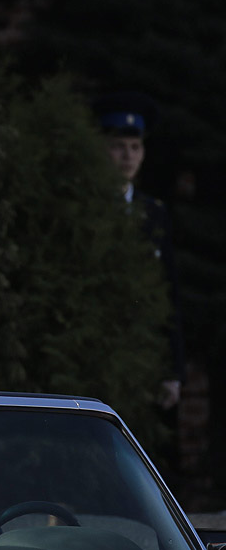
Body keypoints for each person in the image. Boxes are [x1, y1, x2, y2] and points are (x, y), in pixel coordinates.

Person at [95, 91, 186, 410]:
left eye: (135, 147)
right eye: (118, 147)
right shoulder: (87, 208)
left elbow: (167, 291)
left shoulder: (153, 213)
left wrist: (173, 371)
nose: (127, 156)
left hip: (143, 355)